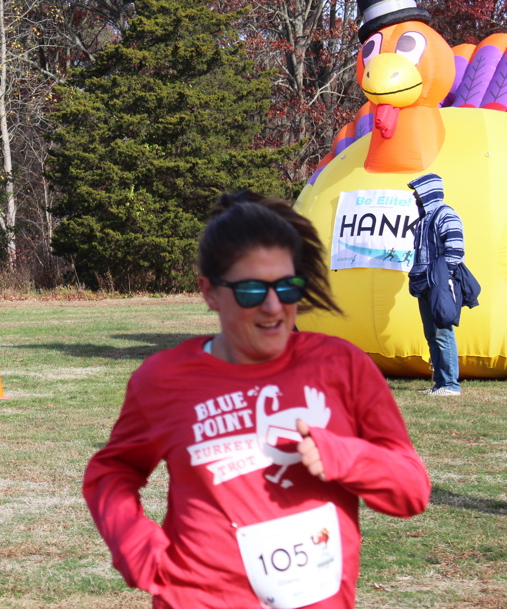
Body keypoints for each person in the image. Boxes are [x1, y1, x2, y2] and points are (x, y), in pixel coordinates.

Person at [83, 191, 430, 609]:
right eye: (251, 290)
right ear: (210, 292)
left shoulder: (341, 366)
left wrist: (345, 456)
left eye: (287, 287)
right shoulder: (163, 379)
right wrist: (137, 548)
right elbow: (113, 471)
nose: (273, 307)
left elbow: (411, 491)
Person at [407, 173, 464, 396]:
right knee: (431, 335)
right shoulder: (423, 219)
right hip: (424, 283)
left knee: (443, 333)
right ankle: (439, 383)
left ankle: (450, 385)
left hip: (439, 284)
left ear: (428, 192)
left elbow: (456, 249)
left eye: (417, 191)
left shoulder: (446, 215)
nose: (414, 196)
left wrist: (443, 277)